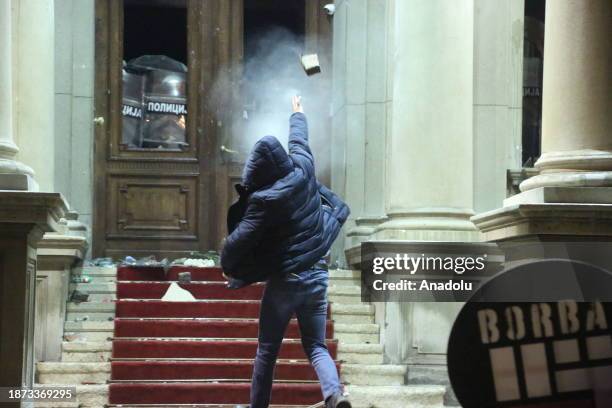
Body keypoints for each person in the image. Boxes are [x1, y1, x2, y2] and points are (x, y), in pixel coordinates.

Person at [221, 96, 351, 408]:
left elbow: (234, 248)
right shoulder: (303, 167)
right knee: (316, 344)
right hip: (317, 275)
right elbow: (299, 139)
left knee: (267, 349)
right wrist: (298, 112)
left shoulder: (263, 201)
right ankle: (333, 394)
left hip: (286, 282)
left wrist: (229, 261)